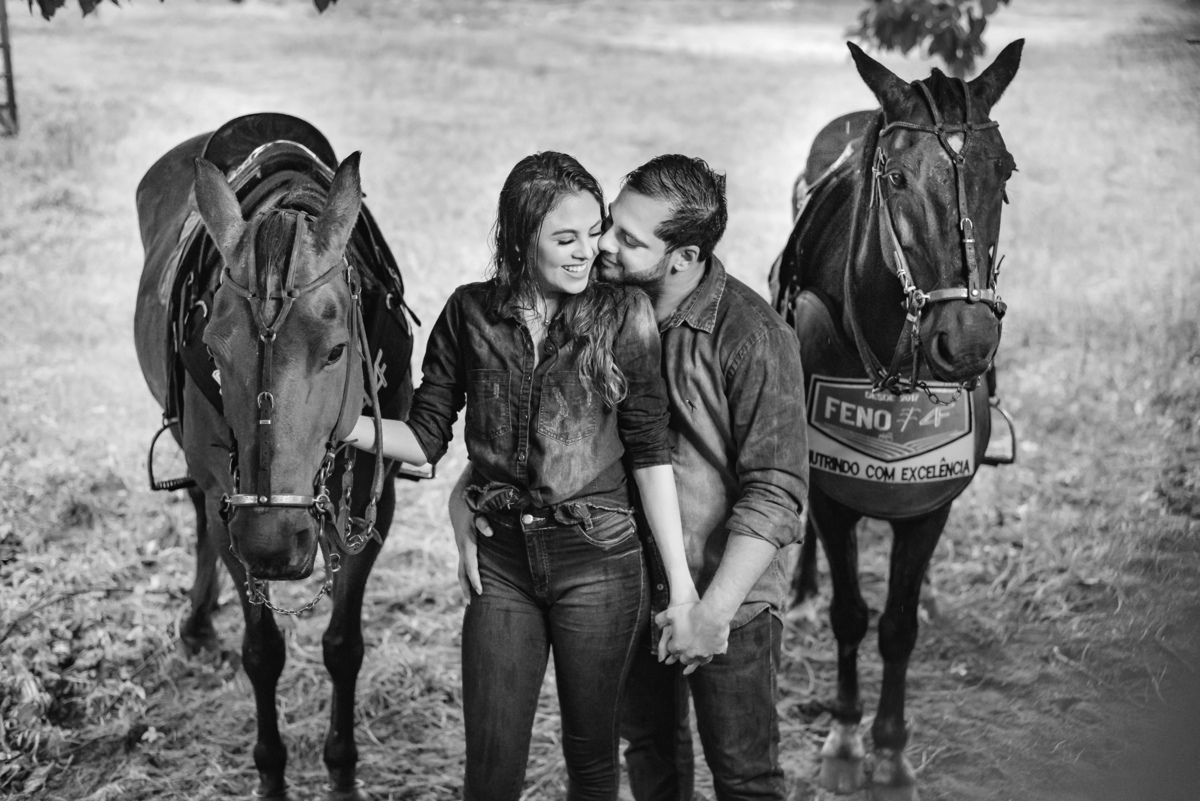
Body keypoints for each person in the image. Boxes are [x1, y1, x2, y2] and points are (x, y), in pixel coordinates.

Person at [453, 154, 809, 801]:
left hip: (726, 594)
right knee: (650, 754)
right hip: (622, 581)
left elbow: (777, 493)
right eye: (608, 225)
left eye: (628, 239)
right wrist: (465, 494)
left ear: (684, 257)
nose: (603, 245)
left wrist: (711, 612)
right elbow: (531, 418)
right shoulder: (595, 305)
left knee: (745, 776)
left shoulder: (754, 337)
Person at [346, 152, 700, 801]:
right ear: (519, 239)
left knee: (591, 761)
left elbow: (650, 454)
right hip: (502, 560)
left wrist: (680, 587)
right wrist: (341, 426)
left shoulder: (623, 314)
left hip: (599, 559)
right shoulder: (469, 314)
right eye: (566, 239)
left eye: (593, 232)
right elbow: (423, 439)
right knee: (490, 768)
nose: (588, 252)